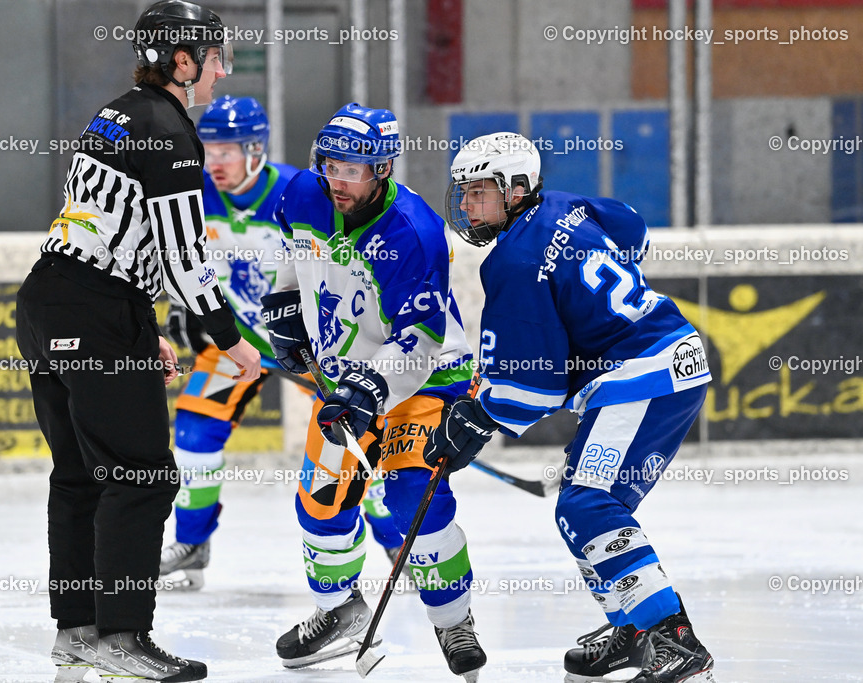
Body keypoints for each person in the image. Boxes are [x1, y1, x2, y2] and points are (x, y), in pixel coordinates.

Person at [15, 2, 260, 681]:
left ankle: (79, 633)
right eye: (212, 59)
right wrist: (230, 339)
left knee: (81, 476)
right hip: (93, 312)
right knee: (144, 473)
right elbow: (184, 254)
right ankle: (122, 637)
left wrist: (141, 322)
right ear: (180, 63)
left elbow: (106, 227)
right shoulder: (168, 130)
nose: (218, 73)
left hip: (49, 301)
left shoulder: (117, 113)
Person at [426, 132, 715, 683]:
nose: (465, 205)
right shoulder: (565, 206)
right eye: (461, 192)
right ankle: (634, 630)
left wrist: (478, 418)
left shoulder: (513, 260)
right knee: (579, 507)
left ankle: (674, 639)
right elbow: (632, 228)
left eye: (478, 192)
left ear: (515, 190)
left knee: (586, 505)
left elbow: (532, 388)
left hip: (643, 376)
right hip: (662, 361)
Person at [261, 103, 487, 682]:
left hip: (425, 378)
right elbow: (295, 256)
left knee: (416, 501)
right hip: (346, 380)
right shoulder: (301, 196)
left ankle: (453, 620)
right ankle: (339, 612)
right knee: (320, 502)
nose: (338, 179)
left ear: (383, 170)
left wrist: (371, 385)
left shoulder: (415, 232)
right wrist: (283, 304)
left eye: (354, 169)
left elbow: (420, 338)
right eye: (331, 164)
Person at [158, 95, 408, 590]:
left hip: (313, 349)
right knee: (192, 434)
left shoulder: (300, 193)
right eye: (207, 149)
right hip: (242, 343)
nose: (215, 162)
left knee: (354, 445)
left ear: (256, 150)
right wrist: (182, 308)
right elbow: (178, 259)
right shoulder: (195, 195)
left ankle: (398, 543)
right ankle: (192, 541)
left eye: (226, 150)